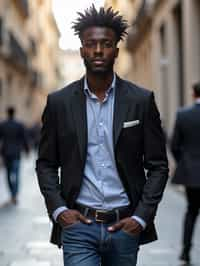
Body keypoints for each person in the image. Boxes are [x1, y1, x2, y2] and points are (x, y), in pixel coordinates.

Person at [36, 5, 168, 266]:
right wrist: (60, 211)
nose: (98, 50)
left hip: (124, 226)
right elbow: (46, 164)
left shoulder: (140, 101)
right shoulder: (59, 103)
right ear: (82, 49)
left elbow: (158, 166)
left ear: (116, 51)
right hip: (78, 228)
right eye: (91, 44)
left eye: (106, 44)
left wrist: (140, 217)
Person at [171, 81, 200, 264]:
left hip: (191, 174)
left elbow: (174, 145)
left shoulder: (183, 115)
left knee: (191, 211)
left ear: (193, 94)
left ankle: (185, 252)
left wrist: (185, 163)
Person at [0, 106, 29, 204]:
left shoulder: (3, 125)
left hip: (6, 153)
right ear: (14, 113)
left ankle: (12, 193)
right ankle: (14, 194)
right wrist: (27, 150)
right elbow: (24, 138)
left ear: (7, 113)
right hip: (16, 153)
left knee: (8, 174)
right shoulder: (19, 125)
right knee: (16, 174)